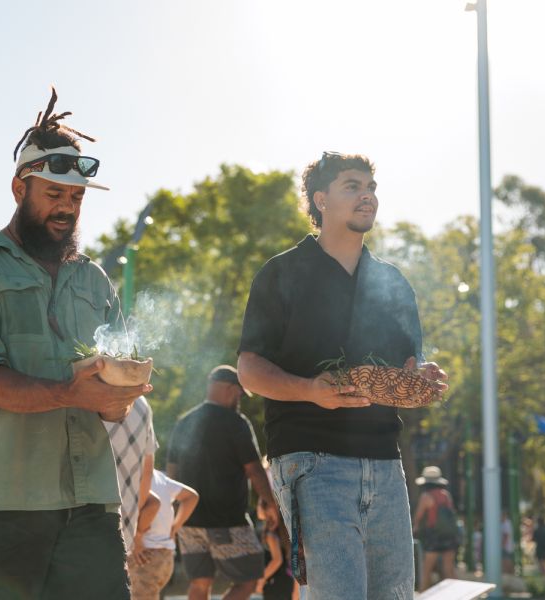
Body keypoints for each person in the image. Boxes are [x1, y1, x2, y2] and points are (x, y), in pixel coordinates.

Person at [0, 87, 151, 600]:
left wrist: (122, 392)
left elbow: (111, 396)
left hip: (93, 503)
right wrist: (73, 391)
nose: (66, 209)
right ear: (18, 188)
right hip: (2, 503)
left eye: (75, 198)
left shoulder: (95, 280)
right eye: (53, 195)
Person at [237, 151, 448, 600]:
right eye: (352, 186)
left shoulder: (393, 282)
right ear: (320, 199)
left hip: (386, 462)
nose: (367, 196)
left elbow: (408, 366)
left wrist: (421, 376)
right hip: (311, 459)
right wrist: (310, 390)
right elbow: (249, 370)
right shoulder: (281, 273)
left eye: (371, 187)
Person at [168, 365, 279, 600]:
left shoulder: (184, 422)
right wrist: (270, 503)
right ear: (229, 388)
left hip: (189, 522)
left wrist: (174, 516)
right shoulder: (235, 422)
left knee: (199, 583)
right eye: (239, 393)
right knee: (249, 580)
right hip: (227, 521)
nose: (239, 399)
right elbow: (255, 470)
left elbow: (171, 474)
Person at [128, 469, 199, 600]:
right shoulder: (159, 477)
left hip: (144, 556)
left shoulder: (132, 475)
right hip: (165, 556)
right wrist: (174, 528)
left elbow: (153, 505)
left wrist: (137, 539)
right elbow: (191, 496)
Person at [105, 395, 158, 553]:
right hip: (124, 530)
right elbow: (146, 473)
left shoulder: (76, 388)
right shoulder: (141, 402)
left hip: (76, 531)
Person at [413, 466, 459, 590]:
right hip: (450, 535)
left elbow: (418, 517)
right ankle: (460, 595)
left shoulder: (426, 496)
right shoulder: (446, 495)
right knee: (449, 569)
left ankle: (422, 595)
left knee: (426, 569)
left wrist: (415, 528)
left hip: (435, 537)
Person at [501, 510, 515, 574]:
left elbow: (506, 536)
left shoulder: (506, 523)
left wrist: (502, 546)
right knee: (505, 561)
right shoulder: (504, 523)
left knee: (506, 561)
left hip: (506, 547)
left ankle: (510, 574)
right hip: (506, 546)